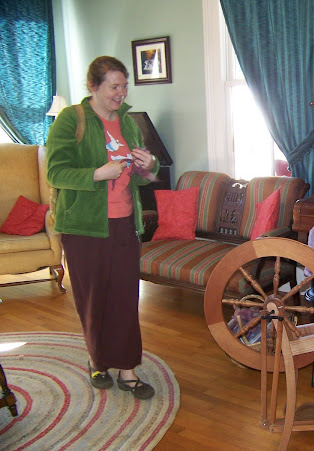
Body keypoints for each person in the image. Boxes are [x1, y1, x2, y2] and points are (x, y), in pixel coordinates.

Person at [46, 56, 160, 400]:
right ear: (93, 86)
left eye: (124, 86)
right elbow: (55, 172)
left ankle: (128, 370)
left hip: (124, 223)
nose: (121, 93)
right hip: (83, 228)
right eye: (114, 86)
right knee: (93, 298)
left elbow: (144, 180)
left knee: (126, 297)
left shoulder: (128, 123)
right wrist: (97, 173)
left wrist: (147, 166)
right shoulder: (72, 119)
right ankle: (98, 362)